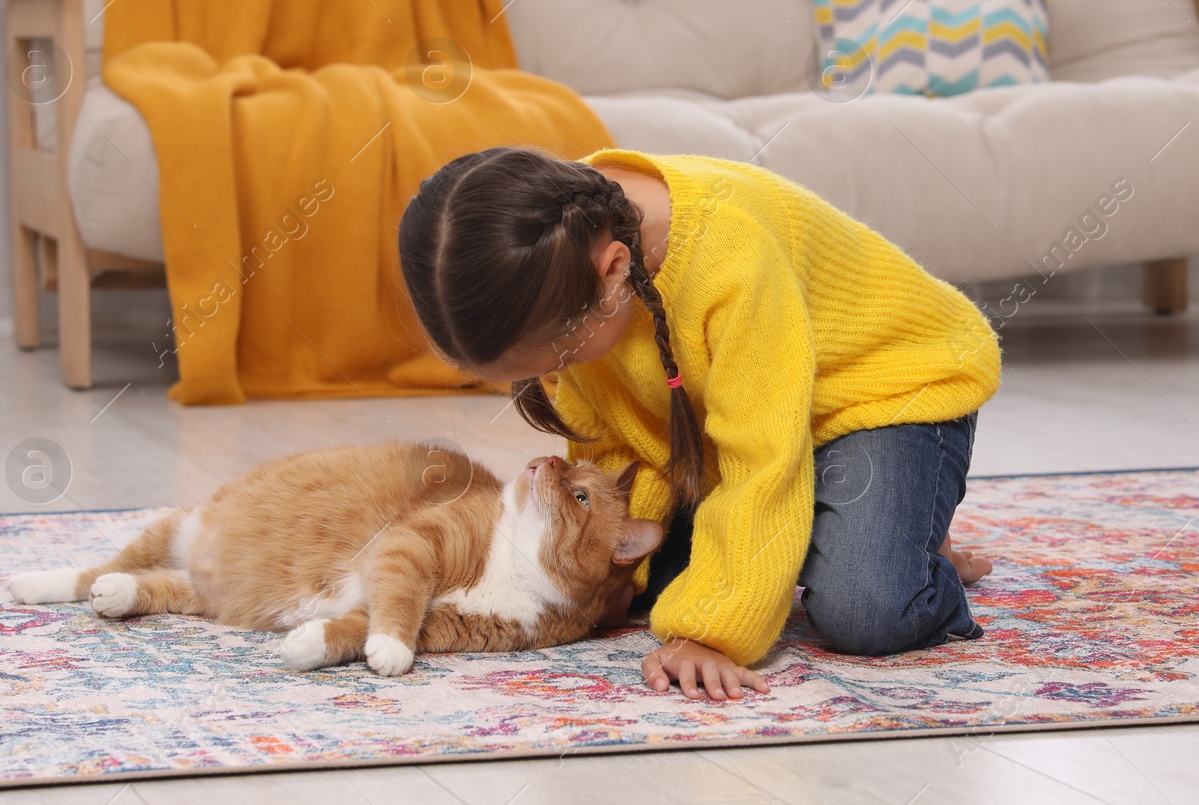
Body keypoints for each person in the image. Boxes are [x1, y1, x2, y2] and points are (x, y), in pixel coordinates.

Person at [398, 146, 1000, 701]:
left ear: (613, 272)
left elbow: (764, 458)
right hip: (740, 414)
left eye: (559, 361)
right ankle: (872, 521)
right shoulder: (555, 247)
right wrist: (612, 569)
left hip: (882, 393)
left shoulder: (730, 255)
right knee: (656, 587)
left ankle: (917, 544)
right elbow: (623, 435)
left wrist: (711, 631)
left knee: (866, 609)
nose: (557, 375)